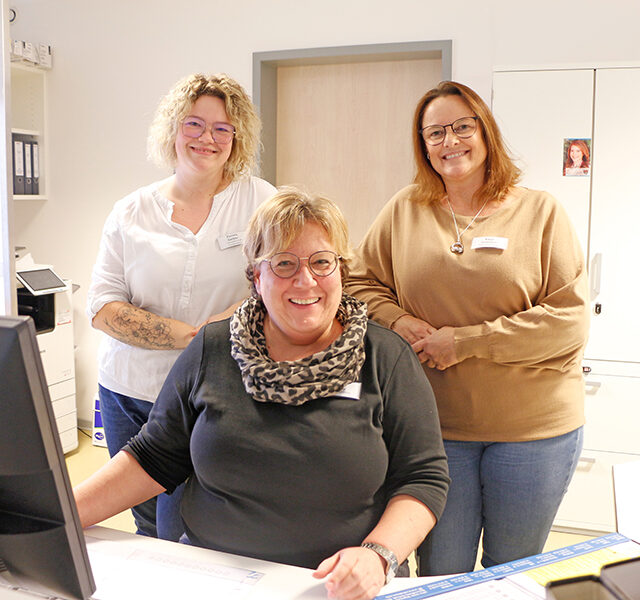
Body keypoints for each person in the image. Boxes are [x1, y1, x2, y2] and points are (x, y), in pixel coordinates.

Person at [76, 188, 450, 600]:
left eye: (322, 262)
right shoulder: (213, 348)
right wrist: (57, 514)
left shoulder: (384, 357)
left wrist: (378, 557)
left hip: (335, 585)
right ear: (256, 275)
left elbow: (423, 477)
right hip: (215, 578)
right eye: (284, 264)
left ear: (341, 270)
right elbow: (152, 457)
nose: (305, 280)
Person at [345, 81, 590, 575]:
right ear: (422, 144)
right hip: (434, 428)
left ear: (486, 132)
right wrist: (401, 321)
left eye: (462, 126)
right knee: (442, 572)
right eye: (435, 132)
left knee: (511, 572)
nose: (449, 141)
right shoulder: (404, 209)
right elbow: (357, 283)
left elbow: (568, 322)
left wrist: (464, 342)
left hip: (533, 431)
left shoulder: (540, 211)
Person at [86, 73, 276, 541]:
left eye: (221, 128)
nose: (206, 138)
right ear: (173, 130)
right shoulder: (131, 211)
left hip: (215, 391)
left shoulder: (261, 201)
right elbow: (102, 306)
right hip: (130, 393)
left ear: (238, 137)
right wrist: (189, 336)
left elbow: (279, 282)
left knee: (200, 519)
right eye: (194, 124)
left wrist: (219, 330)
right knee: (149, 521)